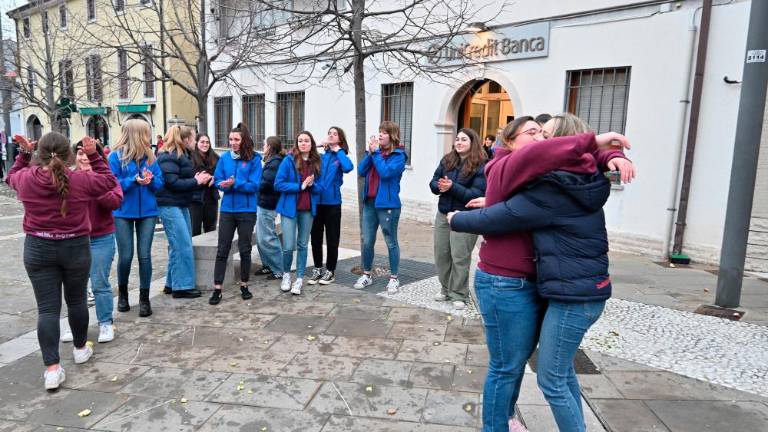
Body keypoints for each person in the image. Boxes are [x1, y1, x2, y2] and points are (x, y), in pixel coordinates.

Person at [448, 115, 634, 432]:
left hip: (549, 285)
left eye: (543, 134)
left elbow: (512, 209)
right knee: (511, 366)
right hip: (506, 281)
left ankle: (506, 418)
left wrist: (610, 153)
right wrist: (460, 217)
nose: (538, 139)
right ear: (508, 141)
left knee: (537, 370)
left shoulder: (553, 181)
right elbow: (508, 209)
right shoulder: (509, 165)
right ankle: (498, 424)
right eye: (532, 132)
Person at [8, 133, 117, 390]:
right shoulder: (80, 180)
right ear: (69, 155)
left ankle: (52, 370)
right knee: (77, 300)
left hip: (38, 248)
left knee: (47, 309)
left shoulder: (26, 179)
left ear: (40, 154)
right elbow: (108, 182)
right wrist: (94, 155)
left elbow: (10, 176)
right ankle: (80, 349)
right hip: (75, 247)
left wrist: (24, 154)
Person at [109, 119, 164, 317]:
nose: (149, 136)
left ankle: (144, 299)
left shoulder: (151, 157)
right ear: (137, 135)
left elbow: (160, 183)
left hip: (148, 211)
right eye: (146, 133)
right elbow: (112, 183)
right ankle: (123, 295)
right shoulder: (115, 157)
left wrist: (151, 181)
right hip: (122, 212)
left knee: (144, 255)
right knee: (125, 255)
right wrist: (133, 180)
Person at [429, 128, 486, 310]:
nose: (459, 142)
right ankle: (446, 288)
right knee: (441, 254)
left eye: (464, 140)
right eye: (457, 139)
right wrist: (438, 186)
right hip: (443, 214)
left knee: (459, 256)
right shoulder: (447, 160)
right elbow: (433, 181)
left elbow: (476, 194)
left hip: (466, 217)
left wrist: (452, 187)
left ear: (472, 143)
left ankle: (459, 293)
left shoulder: (481, 165)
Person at [75, 140, 123, 343]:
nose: (84, 157)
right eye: (80, 153)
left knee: (99, 282)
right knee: (75, 285)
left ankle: (105, 323)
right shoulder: (69, 177)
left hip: (101, 237)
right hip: (75, 239)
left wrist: (95, 185)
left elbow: (115, 202)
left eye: (88, 154)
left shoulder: (106, 177)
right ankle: (77, 325)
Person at [157, 126, 211, 300]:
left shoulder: (181, 155)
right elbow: (172, 182)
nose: (195, 142)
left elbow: (181, 178)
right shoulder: (168, 155)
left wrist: (197, 179)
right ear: (186, 140)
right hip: (170, 205)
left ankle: (171, 283)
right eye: (194, 138)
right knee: (182, 245)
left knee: (179, 244)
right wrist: (196, 181)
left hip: (180, 203)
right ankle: (182, 287)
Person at [209, 123, 261, 305]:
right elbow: (217, 179)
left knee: (245, 249)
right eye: (230, 139)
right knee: (222, 249)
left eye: (236, 139)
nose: (232, 142)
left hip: (246, 210)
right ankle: (217, 288)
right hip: (227, 210)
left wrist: (235, 183)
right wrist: (222, 184)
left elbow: (254, 186)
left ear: (244, 140)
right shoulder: (224, 158)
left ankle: (244, 285)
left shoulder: (255, 159)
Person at [354, 121, 407, 293]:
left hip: (388, 205)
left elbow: (385, 173)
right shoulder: (375, 153)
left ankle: (394, 278)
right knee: (367, 241)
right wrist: (370, 154)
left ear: (392, 136)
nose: (380, 135)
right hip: (370, 204)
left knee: (391, 242)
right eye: (379, 132)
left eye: (384, 132)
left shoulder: (399, 156)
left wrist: (376, 153)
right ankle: (366, 275)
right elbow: (361, 171)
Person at [275, 131, 326, 295]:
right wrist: (300, 186)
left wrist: (312, 185)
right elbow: (278, 184)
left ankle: (299, 279)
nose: (303, 143)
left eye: (306, 141)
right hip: (289, 209)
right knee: (288, 246)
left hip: (307, 209)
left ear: (312, 144)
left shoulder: (317, 162)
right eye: (300, 141)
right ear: (297, 144)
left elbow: (321, 188)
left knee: (303, 244)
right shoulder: (288, 160)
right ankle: (286, 275)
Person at [307, 126, 354, 285]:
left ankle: (330, 271)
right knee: (315, 238)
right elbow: (299, 153)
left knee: (332, 239)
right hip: (317, 202)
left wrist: (338, 150)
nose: (331, 135)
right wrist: (317, 145)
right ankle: (317, 268)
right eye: (329, 133)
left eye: (335, 134)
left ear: (340, 139)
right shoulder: (320, 156)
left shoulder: (340, 157)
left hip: (333, 203)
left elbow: (348, 167)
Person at [254, 136, 286, 280]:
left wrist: (252, 184)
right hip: (264, 203)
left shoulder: (275, 162)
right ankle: (267, 265)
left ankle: (278, 269)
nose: (263, 147)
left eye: (264, 145)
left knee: (267, 238)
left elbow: (266, 184)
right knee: (261, 237)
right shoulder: (272, 160)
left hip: (267, 205)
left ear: (270, 147)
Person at [189, 133, 220, 236]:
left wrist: (214, 178)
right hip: (195, 198)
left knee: (211, 230)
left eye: (207, 142)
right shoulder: (190, 157)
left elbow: (221, 174)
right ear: (196, 143)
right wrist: (198, 179)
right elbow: (187, 175)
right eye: (202, 142)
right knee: (194, 230)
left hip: (211, 196)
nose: (205, 144)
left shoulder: (215, 157)